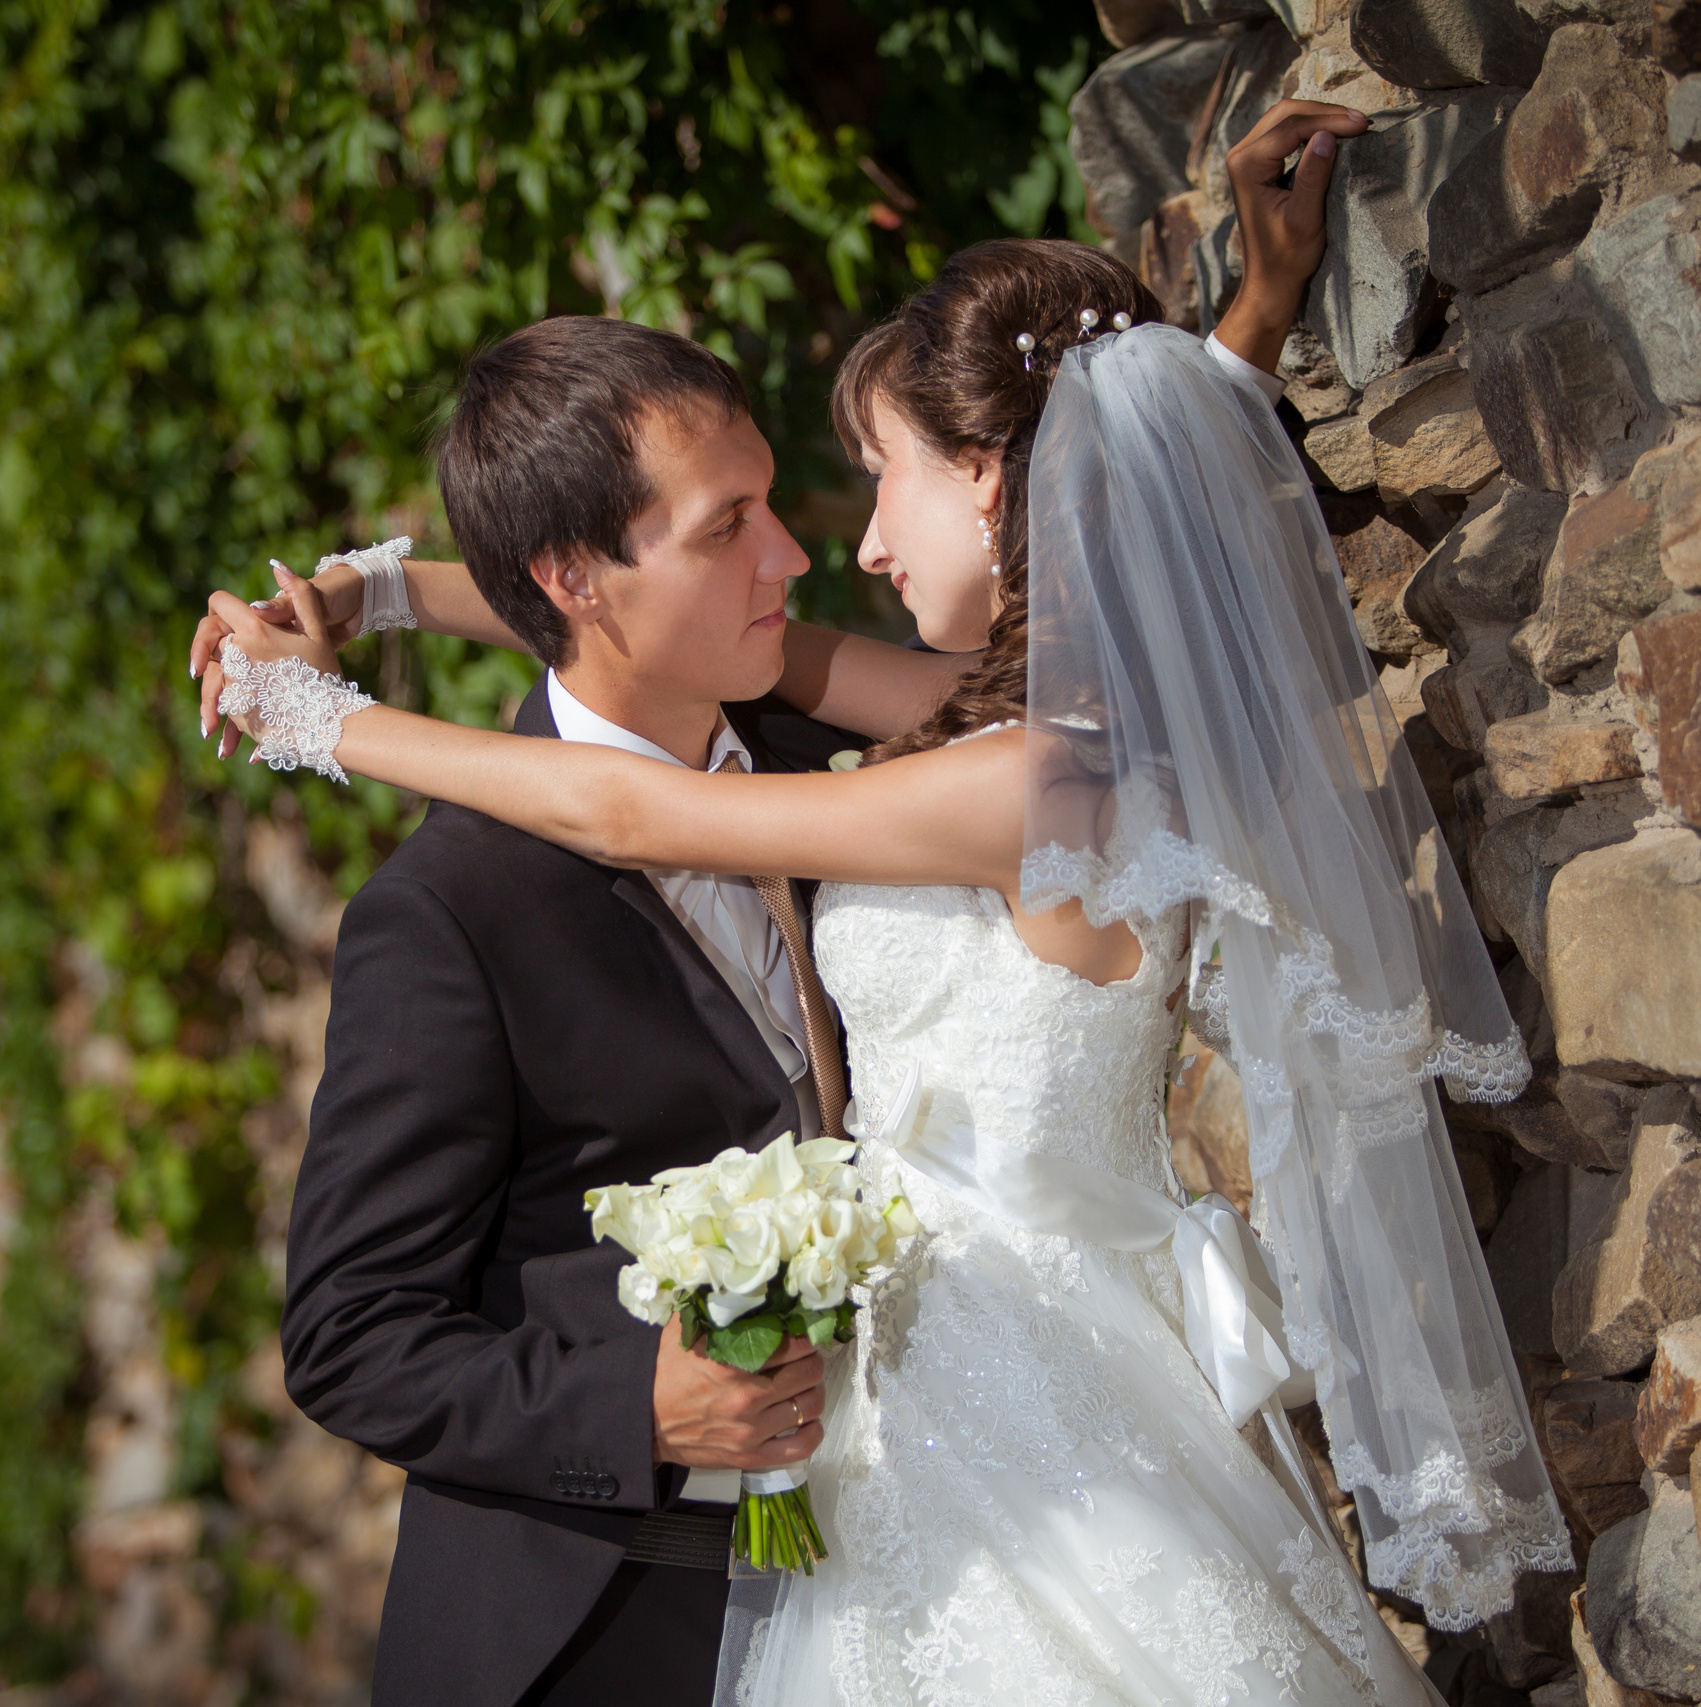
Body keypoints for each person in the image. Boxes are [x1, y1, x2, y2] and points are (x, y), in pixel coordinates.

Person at [201, 98, 1573, 1707]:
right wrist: (378, 591)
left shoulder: (1025, 780)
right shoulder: (1009, 722)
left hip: (1020, 1414)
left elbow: (626, 799)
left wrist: (316, 723)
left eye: (868, 481)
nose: (829, 546)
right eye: (754, 520)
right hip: (873, 1468)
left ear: (1002, 488)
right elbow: (688, 633)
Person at [268, 308, 896, 1707]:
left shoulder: (824, 759)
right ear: (575, 579)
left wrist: (383, 591)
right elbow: (350, 1333)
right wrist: (638, 1408)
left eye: (773, 505)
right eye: (726, 526)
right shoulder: (447, 916)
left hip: (891, 1579)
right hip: (604, 1631)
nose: (790, 554)